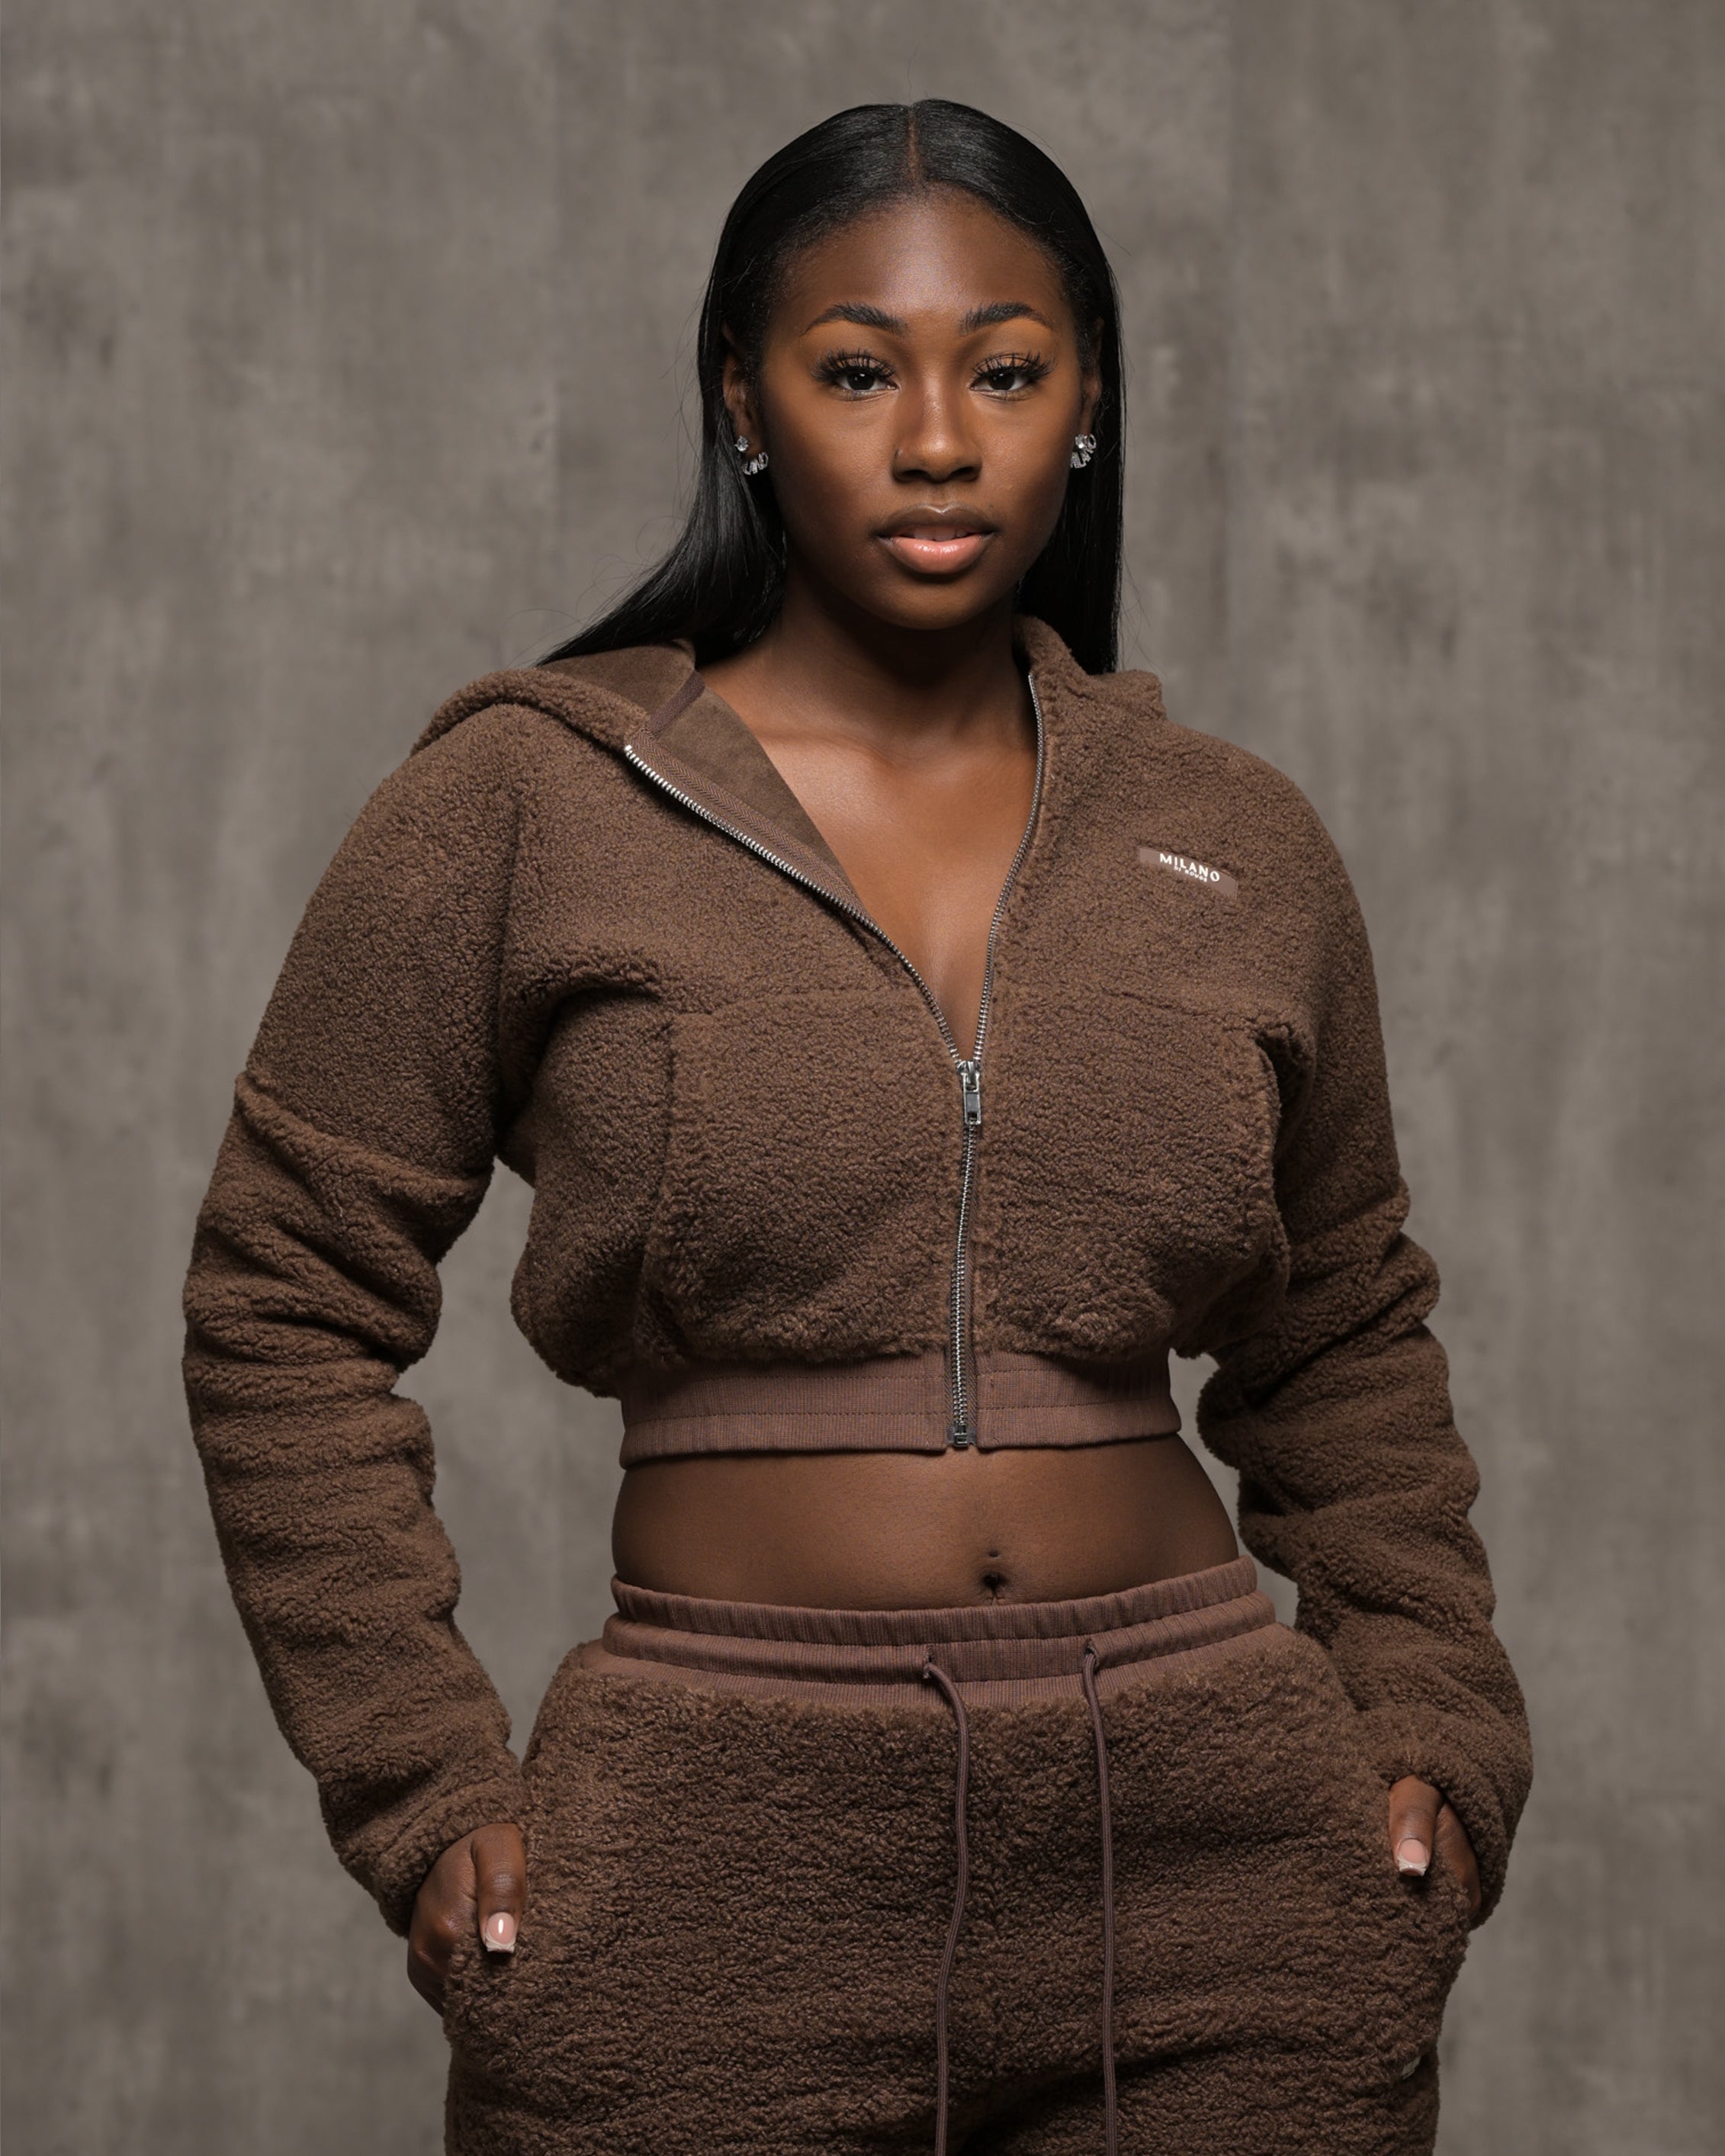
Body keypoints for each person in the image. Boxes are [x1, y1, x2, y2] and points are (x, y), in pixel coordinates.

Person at [182, 99, 1530, 2156]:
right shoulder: (528, 805)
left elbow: (1343, 1331)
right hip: (715, 1858)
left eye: (1007, 369)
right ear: (744, 399)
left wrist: (1430, 1719)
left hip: (1221, 1878)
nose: (937, 440)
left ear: (1088, 401)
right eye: (855, 372)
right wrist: (421, 1783)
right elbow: (282, 1301)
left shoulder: (1233, 838)